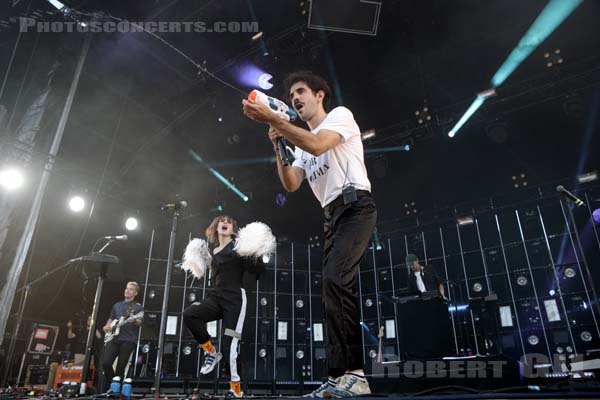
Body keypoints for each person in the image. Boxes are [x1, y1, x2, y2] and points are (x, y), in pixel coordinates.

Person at [242, 71, 377, 397]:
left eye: (300, 91)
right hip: (332, 217)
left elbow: (317, 144)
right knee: (333, 291)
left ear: (319, 95)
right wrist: (278, 144)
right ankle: (337, 377)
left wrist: (278, 121)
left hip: (356, 206)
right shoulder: (299, 143)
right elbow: (291, 183)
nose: (295, 99)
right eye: (290, 97)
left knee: (335, 280)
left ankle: (357, 376)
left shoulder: (339, 117)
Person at [182, 215, 266, 398]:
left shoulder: (238, 248)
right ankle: (211, 352)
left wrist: (257, 251)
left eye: (229, 221)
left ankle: (236, 390)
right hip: (216, 298)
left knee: (230, 344)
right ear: (216, 226)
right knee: (190, 314)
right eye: (222, 220)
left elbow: (256, 268)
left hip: (235, 301)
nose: (225, 222)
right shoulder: (215, 251)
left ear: (233, 228)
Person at [100, 282, 144, 390]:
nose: (127, 290)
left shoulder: (138, 307)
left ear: (135, 293)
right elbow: (111, 318)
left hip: (128, 339)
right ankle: (113, 382)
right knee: (106, 363)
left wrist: (134, 321)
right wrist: (107, 325)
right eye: (126, 288)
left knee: (121, 366)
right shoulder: (117, 305)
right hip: (114, 337)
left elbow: (140, 322)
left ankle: (117, 389)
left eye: (131, 289)